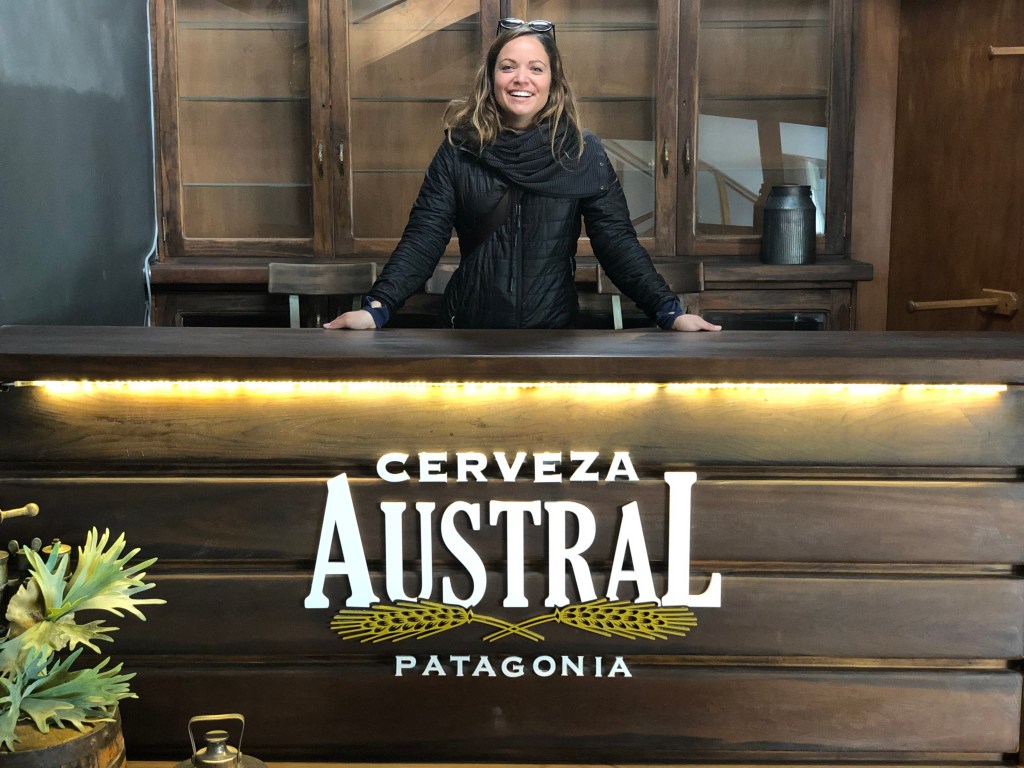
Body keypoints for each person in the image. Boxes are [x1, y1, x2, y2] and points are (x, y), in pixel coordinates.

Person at [324, 18, 720, 332]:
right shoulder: (459, 149)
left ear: (553, 81)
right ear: (491, 79)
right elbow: (423, 238)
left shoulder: (583, 152)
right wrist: (376, 308)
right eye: (508, 67)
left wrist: (669, 311)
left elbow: (616, 243)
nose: (521, 78)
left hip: (554, 332)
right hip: (469, 331)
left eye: (536, 68)